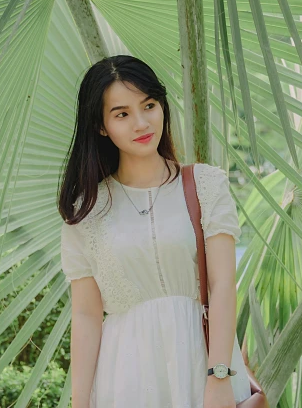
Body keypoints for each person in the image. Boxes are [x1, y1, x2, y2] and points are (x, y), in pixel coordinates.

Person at [56, 55, 253, 408]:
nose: (142, 122)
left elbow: (222, 285)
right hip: (126, 374)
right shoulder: (86, 211)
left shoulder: (205, 185)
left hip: (203, 366)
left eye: (149, 105)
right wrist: (79, 403)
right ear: (101, 126)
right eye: (122, 113)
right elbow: (86, 314)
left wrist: (219, 376)